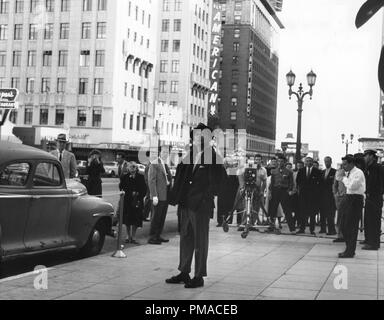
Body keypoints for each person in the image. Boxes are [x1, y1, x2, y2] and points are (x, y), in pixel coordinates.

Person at [166, 123, 224, 289]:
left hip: (200, 206)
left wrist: (206, 197)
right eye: (195, 136)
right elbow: (180, 177)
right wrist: (176, 197)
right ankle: (184, 272)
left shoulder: (213, 157)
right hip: (185, 204)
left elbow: (219, 183)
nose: (197, 139)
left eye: (201, 136)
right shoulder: (189, 156)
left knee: (200, 241)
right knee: (185, 239)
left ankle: (199, 276)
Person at [338, 155, 366, 258]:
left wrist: (344, 179)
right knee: (344, 225)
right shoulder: (349, 173)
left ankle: (350, 251)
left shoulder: (358, 173)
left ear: (351, 163)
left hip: (355, 199)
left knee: (351, 226)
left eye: (345, 164)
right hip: (348, 198)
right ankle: (348, 248)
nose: (343, 166)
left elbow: (352, 186)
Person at [148, 145, 173, 245]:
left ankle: (158, 235)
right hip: (158, 196)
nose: (165, 154)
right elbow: (151, 180)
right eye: (164, 152)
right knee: (156, 218)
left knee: (161, 217)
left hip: (165, 195)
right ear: (159, 152)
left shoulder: (164, 164)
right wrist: (154, 195)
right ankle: (152, 237)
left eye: (167, 152)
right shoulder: (154, 163)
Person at [361, 149, 384, 251]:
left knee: (374, 221)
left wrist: (373, 193)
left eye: (366, 156)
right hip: (371, 197)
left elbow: (377, 183)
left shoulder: (376, 167)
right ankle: (369, 240)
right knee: (369, 220)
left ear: (371, 156)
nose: (364, 158)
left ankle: (373, 244)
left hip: (375, 198)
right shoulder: (370, 167)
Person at [119, 162, 147, 245]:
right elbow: (121, 187)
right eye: (131, 167)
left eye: (134, 167)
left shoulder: (141, 177)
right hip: (127, 200)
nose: (132, 168)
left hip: (137, 200)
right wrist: (127, 193)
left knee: (136, 219)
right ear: (128, 168)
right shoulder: (125, 177)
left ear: (136, 168)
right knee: (127, 219)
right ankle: (128, 235)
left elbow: (144, 189)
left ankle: (133, 236)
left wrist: (139, 194)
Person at [267, 155, 294, 233]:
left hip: (284, 191)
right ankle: (271, 227)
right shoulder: (274, 171)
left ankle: (292, 229)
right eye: (278, 161)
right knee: (273, 210)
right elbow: (272, 183)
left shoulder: (289, 172)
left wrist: (289, 191)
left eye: (281, 161)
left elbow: (291, 183)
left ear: (284, 162)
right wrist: (270, 192)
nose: (280, 163)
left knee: (287, 210)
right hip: (275, 191)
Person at [296, 157, 322, 235]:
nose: (308, 162)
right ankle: (302, 228)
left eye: (310, 161)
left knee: (312, 213)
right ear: (305, 162)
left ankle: (312, 229)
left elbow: (319, 183)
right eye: (307, 161)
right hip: (303, 195)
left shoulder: (317, 171)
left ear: (312, 162)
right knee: (302, 213)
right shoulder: (301, 170)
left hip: (313, 196)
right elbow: (298, 181)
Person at [216, 158, 238, 227]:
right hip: (221, 191)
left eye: (227, 163)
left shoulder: (233, 170)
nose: (226, 164)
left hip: (231, 192)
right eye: (225, 163)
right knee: (221, 207)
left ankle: (228, 220)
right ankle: (220, 221)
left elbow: (235, 182)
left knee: (229, 206)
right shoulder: (220, 170)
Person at [319, 157, 337, 235]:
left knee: (330, 214)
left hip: (331, 196)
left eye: (328, 161)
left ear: (331, 162)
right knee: (322, 213)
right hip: (322, 196)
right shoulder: (322, 172)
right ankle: (323, 229)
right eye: (325, 161)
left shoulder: (335, 172)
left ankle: (331, 230)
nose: (327, 163)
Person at [333, 167, 347, 243]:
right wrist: (336, 194)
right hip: (340, 197)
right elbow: (335, 185)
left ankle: (347, 235)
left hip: (349, 197)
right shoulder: (339, 172)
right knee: (340, 217)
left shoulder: (353, 173)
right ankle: (340, 235)